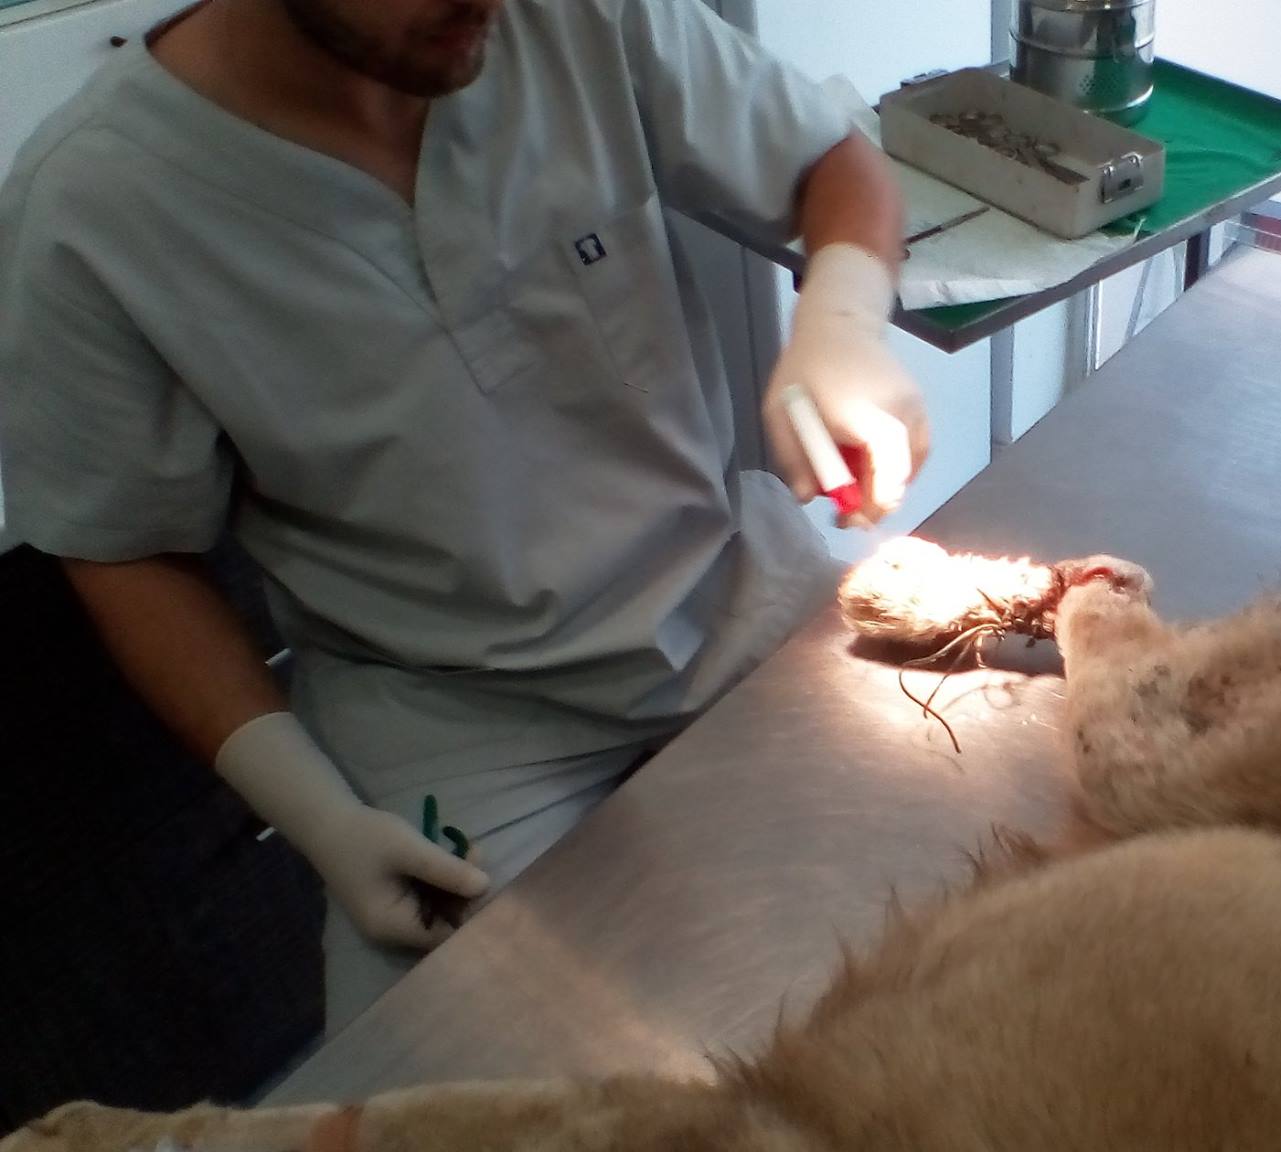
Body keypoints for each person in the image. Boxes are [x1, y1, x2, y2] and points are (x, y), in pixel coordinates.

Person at [0, 0, 926, 1029]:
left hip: (733, 591)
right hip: (457, 716)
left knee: (972, 876)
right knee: (473, 1065)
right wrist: (311, 809)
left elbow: (830, 160)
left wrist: (842, 321)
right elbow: (125, 551)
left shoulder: (571, 18)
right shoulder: (92, 209)